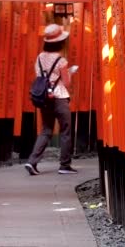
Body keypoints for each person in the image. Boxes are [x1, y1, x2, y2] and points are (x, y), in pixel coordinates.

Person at [25, 23, 77, 175]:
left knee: (46, 130)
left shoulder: (39, 58)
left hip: (44, 99)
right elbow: (66, 83)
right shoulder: (61, 61)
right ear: (60, 42)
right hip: (59, 97)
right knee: (66, 130)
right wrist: (70, 72)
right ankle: (65, 166)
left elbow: (41, 77)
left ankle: (32, 162)